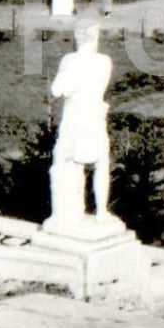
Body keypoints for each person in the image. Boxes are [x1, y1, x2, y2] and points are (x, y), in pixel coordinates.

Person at [49, 22, 114, 218]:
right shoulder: (103, 62)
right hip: (92, 114)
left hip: (74, 115)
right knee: (100, 162)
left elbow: (56, 90)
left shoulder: (69, 61)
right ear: (95, 37)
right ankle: (100, 211)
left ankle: (65, 211)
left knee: (66, 160)